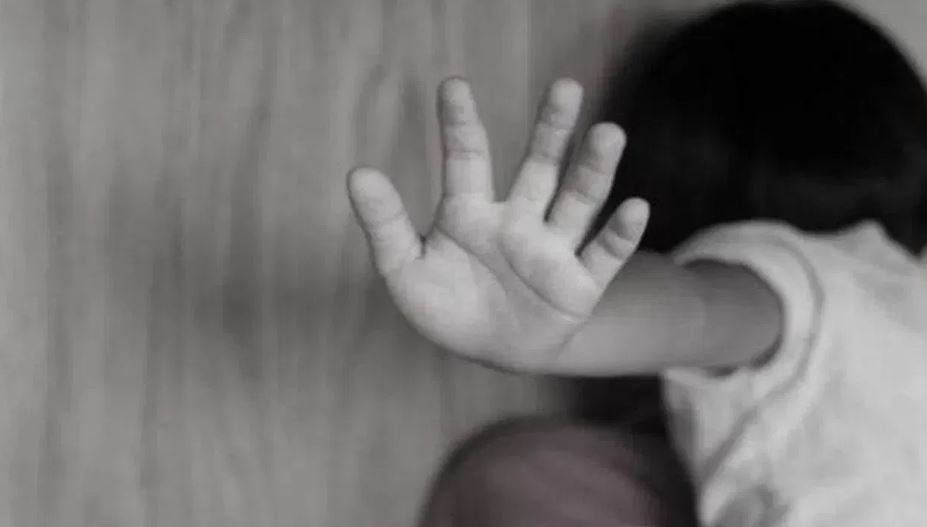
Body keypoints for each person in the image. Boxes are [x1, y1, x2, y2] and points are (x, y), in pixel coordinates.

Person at [345, 0, 927, 525]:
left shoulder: (809, 280)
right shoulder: (899, 294)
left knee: (516, 473)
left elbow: (697, 311)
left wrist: (573, 330)